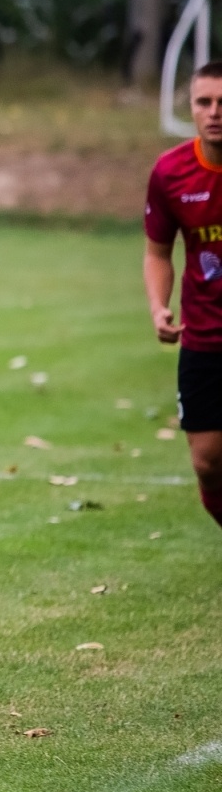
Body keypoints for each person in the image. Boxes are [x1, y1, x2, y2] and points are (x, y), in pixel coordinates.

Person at [144, 60, 222, 531]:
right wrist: (158, 306)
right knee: (208, 463)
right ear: (190, 108)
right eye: (204, 102)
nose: (215, 112)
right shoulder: (171, 172)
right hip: (204, 339)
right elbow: (157, 252)